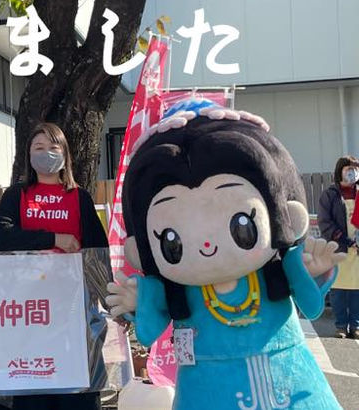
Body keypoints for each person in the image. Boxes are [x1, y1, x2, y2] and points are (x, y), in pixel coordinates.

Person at [107, 100, 340, 409]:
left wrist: (309, 271)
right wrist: (141, 301)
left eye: (241, 225)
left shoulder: (277, 269)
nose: (206, 245)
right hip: (206, 389)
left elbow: (311, 307)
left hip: (288, 385)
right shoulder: (177, 289)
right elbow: (149, 333)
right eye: (172, 241)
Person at [0, 123, 108, 409]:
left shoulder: (79, 197)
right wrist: (53, 238)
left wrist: (110, 297)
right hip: (28, 309)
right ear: (28, 154)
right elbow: (4, 237)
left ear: (65, 154)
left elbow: (98, 249)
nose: (46, 153)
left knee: (77, 390)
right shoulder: (16, 194)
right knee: (34, 387)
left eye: (53, 148)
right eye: (38, 147)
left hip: (73, 308)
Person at [319, 155, 359, 338]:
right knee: (339, 289)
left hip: (357, 250)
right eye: (349, 169)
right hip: (339, 248)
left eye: (356, 169)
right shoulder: (330, 195)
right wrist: (345, 240)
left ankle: (356, 325)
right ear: (339, 172)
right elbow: (325, 222)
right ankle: (341, 325)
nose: (353, 173)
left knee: (357, 288)